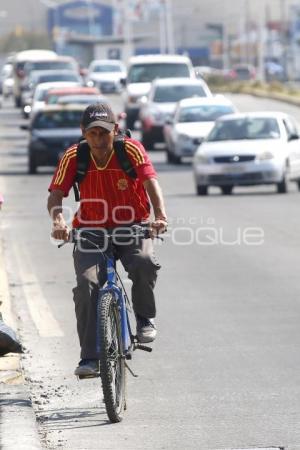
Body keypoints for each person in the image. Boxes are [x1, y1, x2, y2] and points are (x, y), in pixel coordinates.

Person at [47, 103, 167, 377]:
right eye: (93, 134)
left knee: (144, 262)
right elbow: (56, 194)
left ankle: (144, 318)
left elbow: (150, 182)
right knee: (87, 286)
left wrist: (160, 215)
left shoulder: (130, 149)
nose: (99, 140)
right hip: (90, 230)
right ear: (83, 133)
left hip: (131, 224)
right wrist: (58, 221)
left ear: (115, 130)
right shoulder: (74, 156)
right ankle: (89, 358)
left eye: (104, 133)